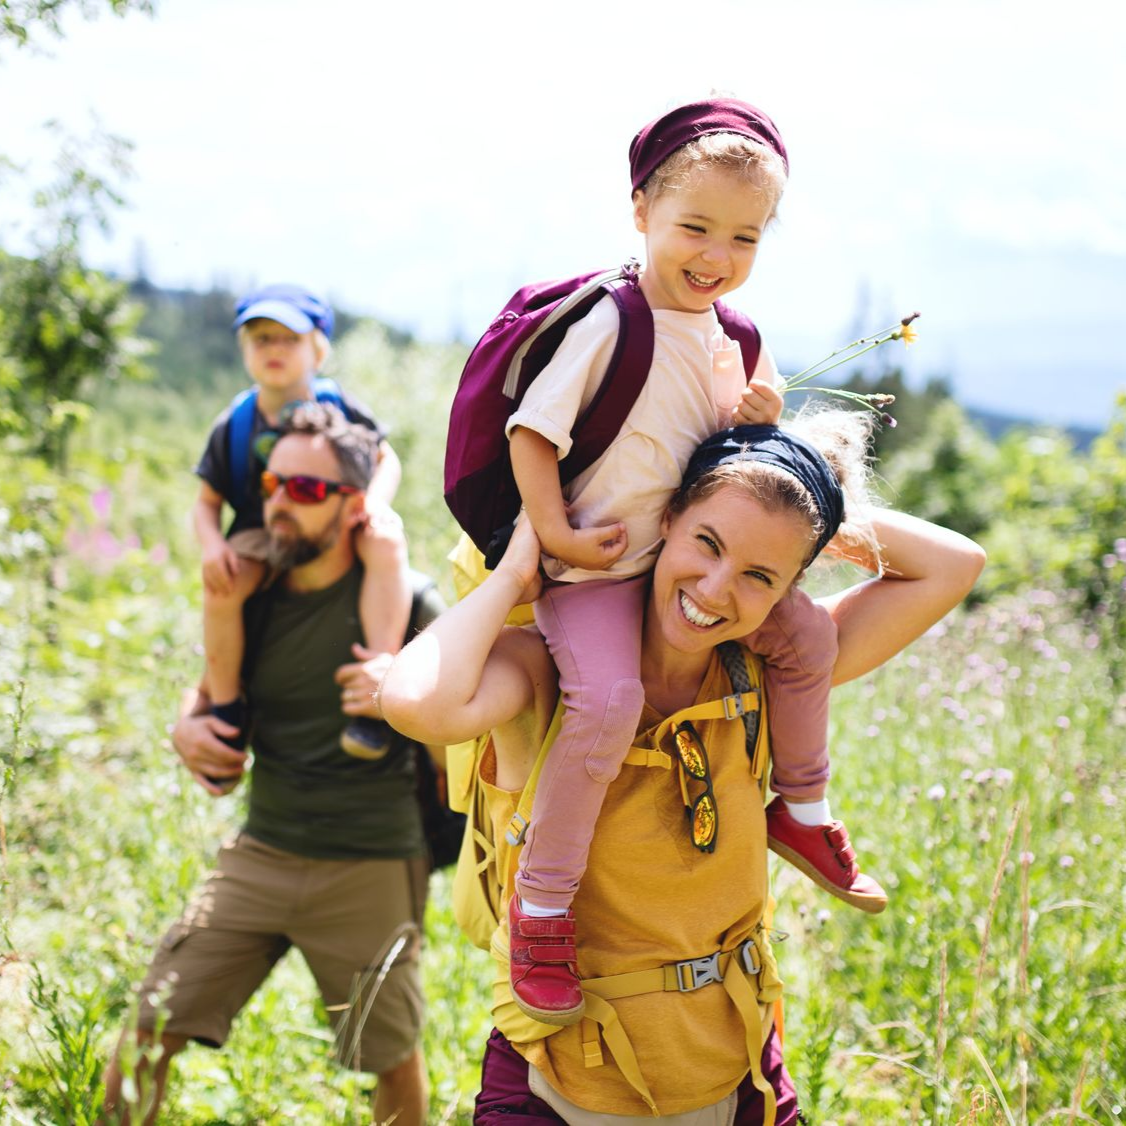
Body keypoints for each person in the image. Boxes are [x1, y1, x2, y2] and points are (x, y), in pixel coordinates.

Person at [383, 413, 986, 1122]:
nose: (716, 589)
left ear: (788, 588)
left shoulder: (769, 673)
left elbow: (955, 564)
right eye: (708, 541)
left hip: (737, 1077)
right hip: (557, 1082)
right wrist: (518, 570)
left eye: (760, 575)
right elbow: (416, 702)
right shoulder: (547, 672)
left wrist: (800, 495)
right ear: (664, 518)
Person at [490, 97, 880, 1025]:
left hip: (682, 564)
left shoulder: (732, 335)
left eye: (743, 238)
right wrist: (555, 536)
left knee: (806, 641)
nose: (717, 255)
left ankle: (804, 807)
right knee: (609, 701)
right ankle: (542, 907)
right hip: (597, 569)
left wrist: (759, 409)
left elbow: (751, 432)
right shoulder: (609, 322)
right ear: (641, 213)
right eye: (694, 227)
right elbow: (531, 433)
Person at [100, 404, 438, 1126]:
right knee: (143, 1035)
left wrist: (405, 702)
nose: (280, 501)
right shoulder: (253, 591)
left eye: (307, 490)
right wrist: (184, 730)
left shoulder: (409, 600)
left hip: (371, 861)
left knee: (392, 1057)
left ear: (354, 505)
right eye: (272, 483)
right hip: (262, 850)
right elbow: (208, 695)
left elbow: (467, 735)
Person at [192, 283, 411, 763]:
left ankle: (374, 684)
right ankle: (227, 706)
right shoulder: (234, 423)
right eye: (260, 339)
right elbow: (206, 502)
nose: (274, 350)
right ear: (244, 349)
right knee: (222, 588)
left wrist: (374, 503)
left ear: (318, 349)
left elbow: (385, 458)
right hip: (260, 530)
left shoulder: (341, 406)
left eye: (288, 339)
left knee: (386, 544)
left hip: (336, 518)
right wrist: (212, 546)